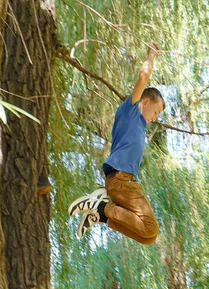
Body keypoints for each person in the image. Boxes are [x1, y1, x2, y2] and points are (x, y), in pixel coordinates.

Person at [68, 42, 165, 245]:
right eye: (155, 112)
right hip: (121, 181)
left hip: (125, 182)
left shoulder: (140, 125)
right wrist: (151, 55)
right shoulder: (129, 111)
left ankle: (101, 215)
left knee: (149, 236)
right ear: (145, 102)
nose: (155, 118)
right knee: (150, 227)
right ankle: (100, 207)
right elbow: (143, 77)